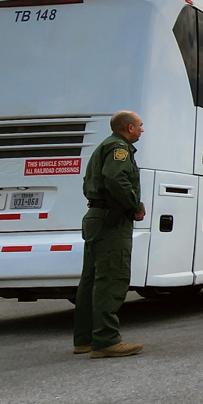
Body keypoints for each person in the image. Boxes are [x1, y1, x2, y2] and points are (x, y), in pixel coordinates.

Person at [73, 111, 145, 359]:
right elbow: (115, 177)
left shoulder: (103, 146)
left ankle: (85, 339)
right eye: (139, 126)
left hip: (96, 217)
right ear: (129, 127)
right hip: (111, 220)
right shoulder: (118, 147)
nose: (142, 130)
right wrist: (134, 205)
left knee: (91, 280)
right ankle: (106, 340)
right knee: (111, 277)